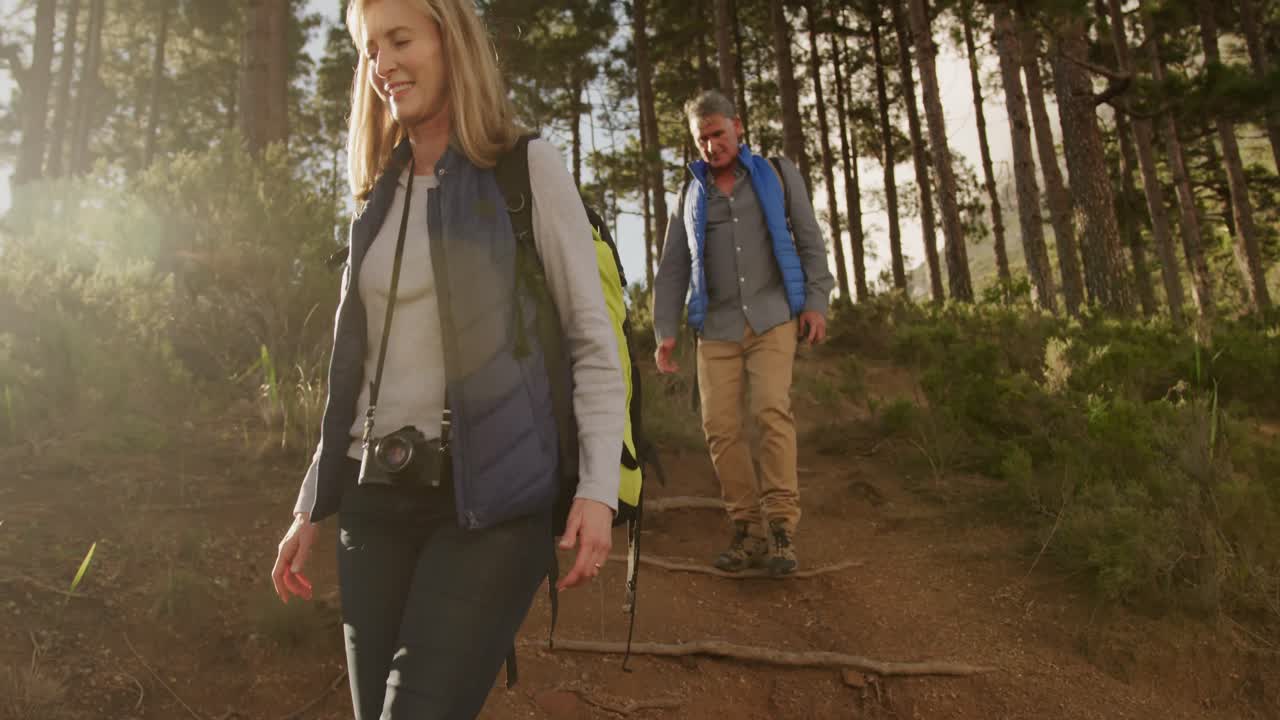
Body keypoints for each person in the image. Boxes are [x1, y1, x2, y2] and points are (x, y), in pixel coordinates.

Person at [268, 1, 625, 717]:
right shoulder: (375, 195)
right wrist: (311, 503)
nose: (383, 64)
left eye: (400, 39)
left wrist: (598, 487)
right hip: (374, 502)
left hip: (492, 506)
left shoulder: (525, 169)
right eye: (371, 49)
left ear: (451, 39)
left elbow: (591, 338)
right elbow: (356, 373)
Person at [652, 90, 835, 577]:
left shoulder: (776, 174)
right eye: (702, 139)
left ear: (737, 127)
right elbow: (672, 268)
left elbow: (810, 240)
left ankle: (781, 528)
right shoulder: (690, 195)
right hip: (716, 327)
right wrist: (665, 329)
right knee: (719, 427)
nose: (712, 145)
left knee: (771, 411)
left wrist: (816, 302)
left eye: (718, 133)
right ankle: (747, 529)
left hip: (772, 316)